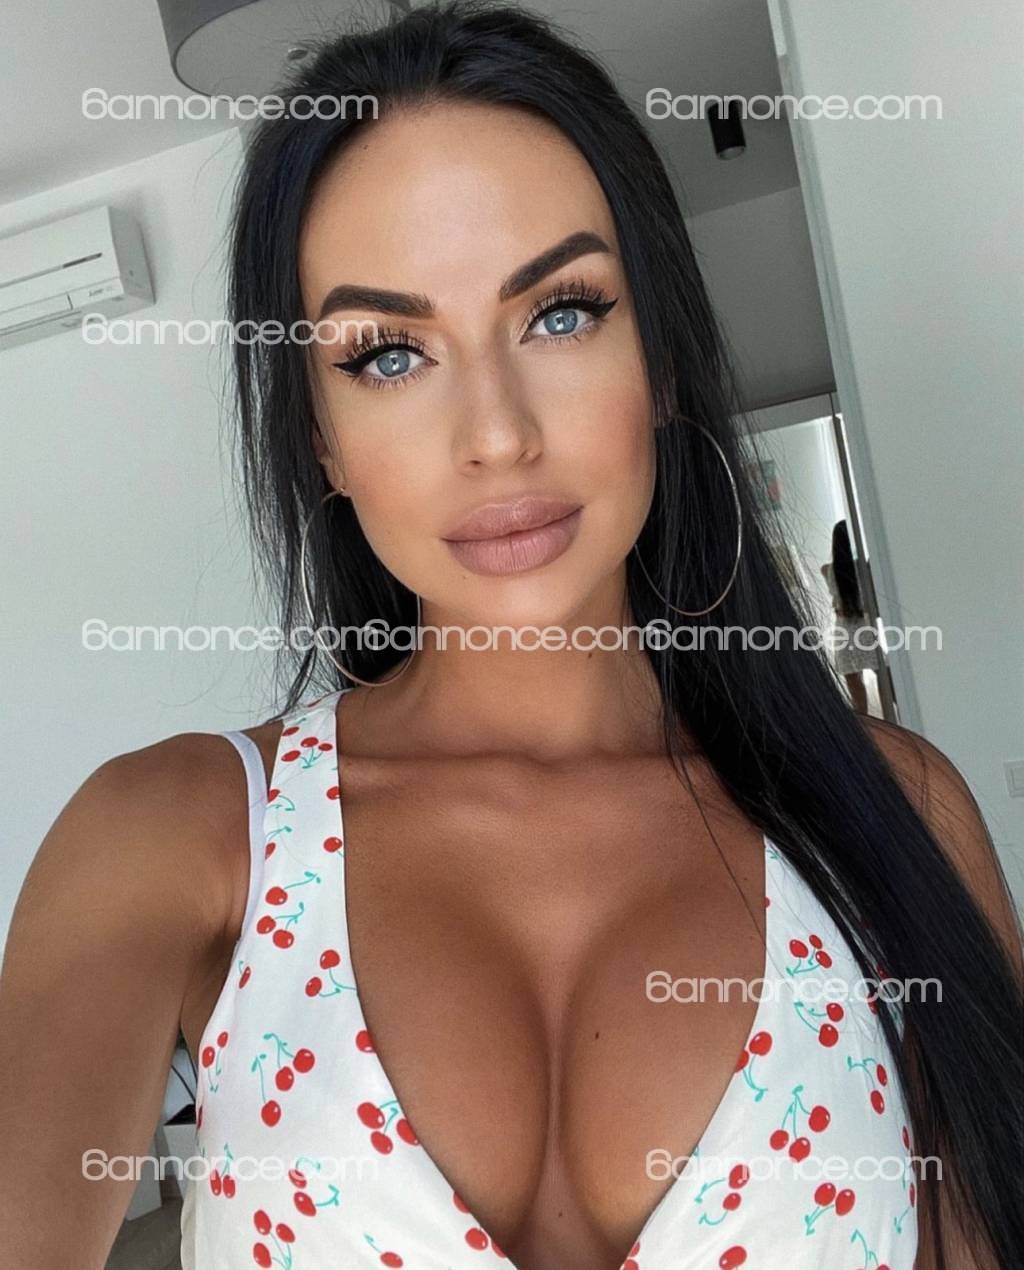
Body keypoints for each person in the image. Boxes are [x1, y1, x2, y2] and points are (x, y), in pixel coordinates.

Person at [1, 4, 1021, 1268]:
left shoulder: (893, 815)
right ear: (320, 438)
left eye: (560, 313)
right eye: (387, 355)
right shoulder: (182, 838)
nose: (495, 434)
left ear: (659, 362)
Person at [820, 519, 883, 713]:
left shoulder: (826, 570)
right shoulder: (865, 567)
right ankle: (893, 722)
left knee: (855, 687)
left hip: (843, 628)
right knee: (884, 676)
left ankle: (865, 724)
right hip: (863, 624)